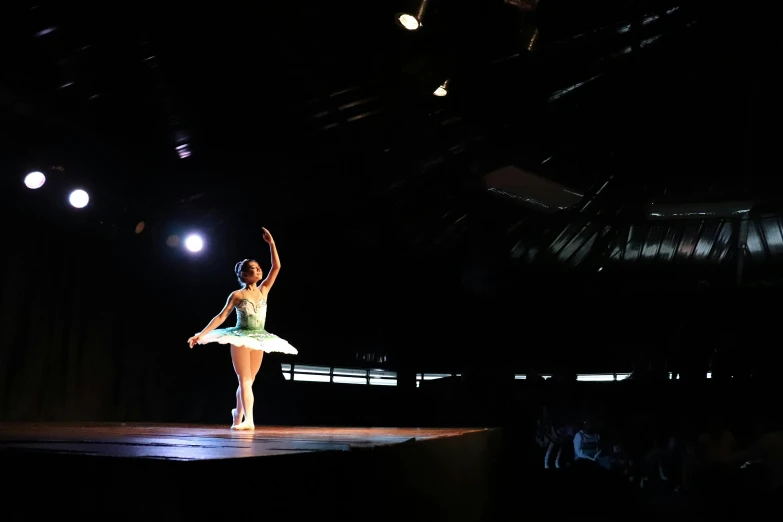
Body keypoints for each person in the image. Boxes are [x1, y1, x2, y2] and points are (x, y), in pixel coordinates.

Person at [187, 227, 297, 430]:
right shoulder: (237, 295)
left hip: (259, 338)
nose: (258, 270)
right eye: (253, 268)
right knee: (244, 379)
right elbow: (221, 316)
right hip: (240, 337)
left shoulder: (264, 290)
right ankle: (249, 421)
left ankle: (237, 413)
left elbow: (276, 267)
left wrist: (271, 244)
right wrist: (201, 334)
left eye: (258, 267)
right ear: (244, 275)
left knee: (250, 381)